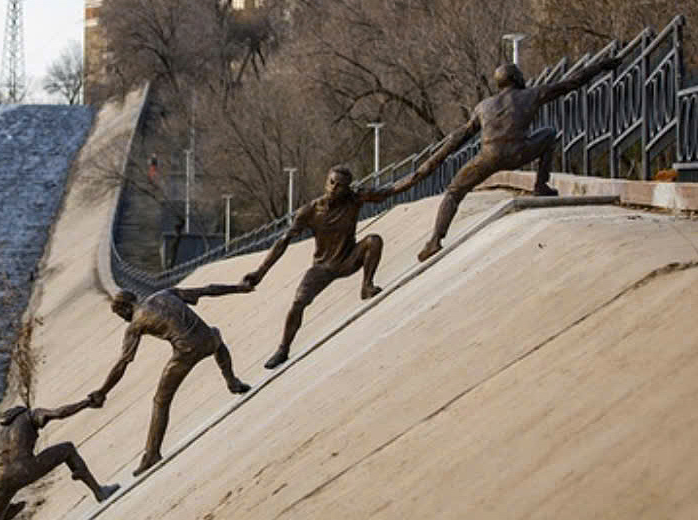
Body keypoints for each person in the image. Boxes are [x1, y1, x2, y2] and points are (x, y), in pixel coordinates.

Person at [411, 55, 622, 261]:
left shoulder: (483, 106)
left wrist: (431, 163)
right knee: (548, 134)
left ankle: (435, 240)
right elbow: (572, 82)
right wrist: (602, 65)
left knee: (454, 191)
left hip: (488, 157)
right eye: (520, 75)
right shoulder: (531, 95)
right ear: (515, 79)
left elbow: (459, 137)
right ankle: (540, 185)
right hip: (519, 151)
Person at [242, 165, 414, 370]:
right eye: (332, 182)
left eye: (340, 186)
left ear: (347, 188)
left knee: (373, 241)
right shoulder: (310, 211)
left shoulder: (355, 199)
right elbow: (283, 241)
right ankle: (283, 349)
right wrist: (260, 272)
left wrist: (435, 161)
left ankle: (366, 286)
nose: (334, 188)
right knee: (298, 302)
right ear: (326, 182)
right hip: (322, 267)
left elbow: (393, 190)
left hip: (348, 259)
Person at [91, 283, 254, 476]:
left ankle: (151, 453)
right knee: (216, 334)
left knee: (160, 400)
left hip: (187, 352)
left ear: (125, 309)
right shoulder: (165, 294)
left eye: (121, 316)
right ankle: (232, 381)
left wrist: (103, 391)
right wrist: (238, 288)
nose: (124, 320)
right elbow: (206, 289)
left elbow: (122, 364)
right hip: (209, 340)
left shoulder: (136, 323)